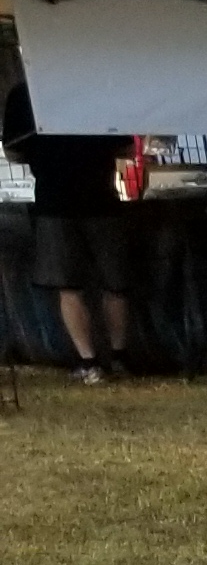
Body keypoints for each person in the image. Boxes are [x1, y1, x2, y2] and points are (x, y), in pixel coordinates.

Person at [2, 55, 133, 377]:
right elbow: (127, 148)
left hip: (54, 200)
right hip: (100, 197)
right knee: (115, 285)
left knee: (68, 286)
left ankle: (88, 363)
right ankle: (118, 358)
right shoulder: (98, 92)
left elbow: (13, 151)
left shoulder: (23, 95)